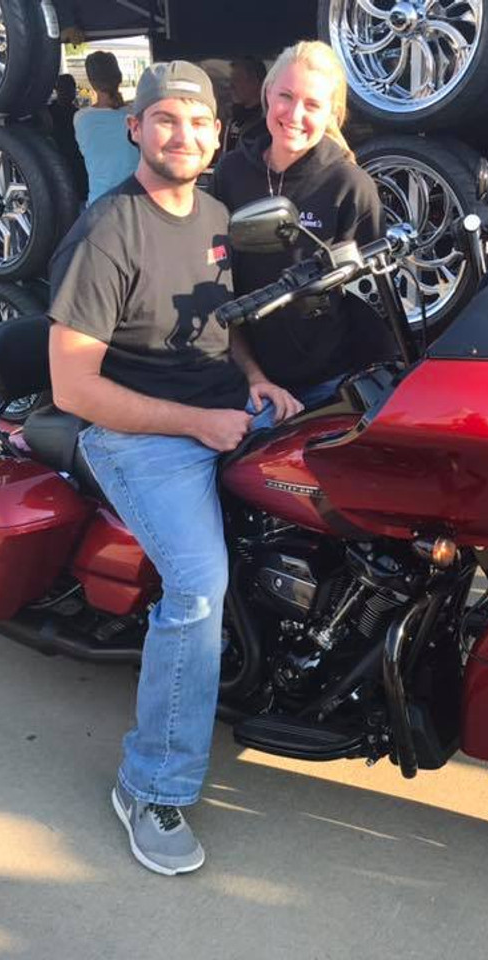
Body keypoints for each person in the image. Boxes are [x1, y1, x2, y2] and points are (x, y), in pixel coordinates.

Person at [47, 61, 301, 876]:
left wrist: (257, 378)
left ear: (218, 135)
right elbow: (74, 387)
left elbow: (221, 321)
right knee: (196, 588)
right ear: (135, 129)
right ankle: (152, 785)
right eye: (164, 120)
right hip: (138, 435)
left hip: (226, 408)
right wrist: (200, 420)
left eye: (196, 122)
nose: (182, 135)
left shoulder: (217, 213)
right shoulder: (107, 231)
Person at [213, 40, 394, 408]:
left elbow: (372, 303)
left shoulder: (349, 185)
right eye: (285, 96)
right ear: (267, 93)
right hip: (246, 381)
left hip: (329, 386)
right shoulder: (230, 172)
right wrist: (251, 376)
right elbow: (217, 280)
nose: (294, 115)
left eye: (312, 104)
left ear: (332, 112)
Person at [74, 51, 142, 207]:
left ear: (91, 82)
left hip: (98, 205)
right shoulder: (136, 115)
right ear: (119, 77)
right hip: (135, 204)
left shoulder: (81, 119)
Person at [45, 73, 89, 202]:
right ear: (57, 90)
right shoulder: (47, 114)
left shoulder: (78, 114)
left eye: (70, 88)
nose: (68, 92)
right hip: (57, 162)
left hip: (77, 164)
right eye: (64, 88)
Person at [222, 57, 267, 154]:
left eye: (237, 79)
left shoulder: (266, 126)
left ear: (255, 83)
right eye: (231, 80)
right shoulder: (232, 118)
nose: (231, 86)